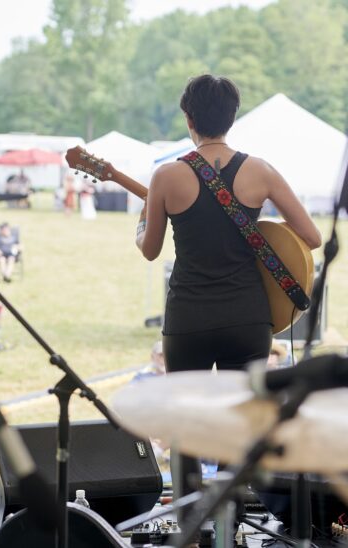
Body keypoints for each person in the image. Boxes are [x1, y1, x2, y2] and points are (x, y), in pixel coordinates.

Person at [135, 74, 321, 496]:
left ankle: (190, 522)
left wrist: (141, 225)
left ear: (189, 118)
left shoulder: (167, 175)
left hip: (189, 319)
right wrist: (261, 233)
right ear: (232, 118)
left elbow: (149, 249)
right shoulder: (260, 170)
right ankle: (228, 522)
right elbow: (310, 237)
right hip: (247, 318)